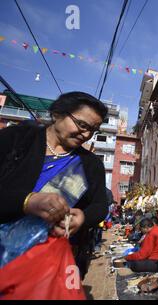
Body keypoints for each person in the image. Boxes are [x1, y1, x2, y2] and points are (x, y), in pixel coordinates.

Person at [0, 91, 109, 292]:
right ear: (58, 114)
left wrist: (82, 217)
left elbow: (100, 205)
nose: (86, 134)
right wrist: (27, 202)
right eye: (82, 125)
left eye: (93, 130)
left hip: (44, 263)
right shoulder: (17, 138)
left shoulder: (91, 164)